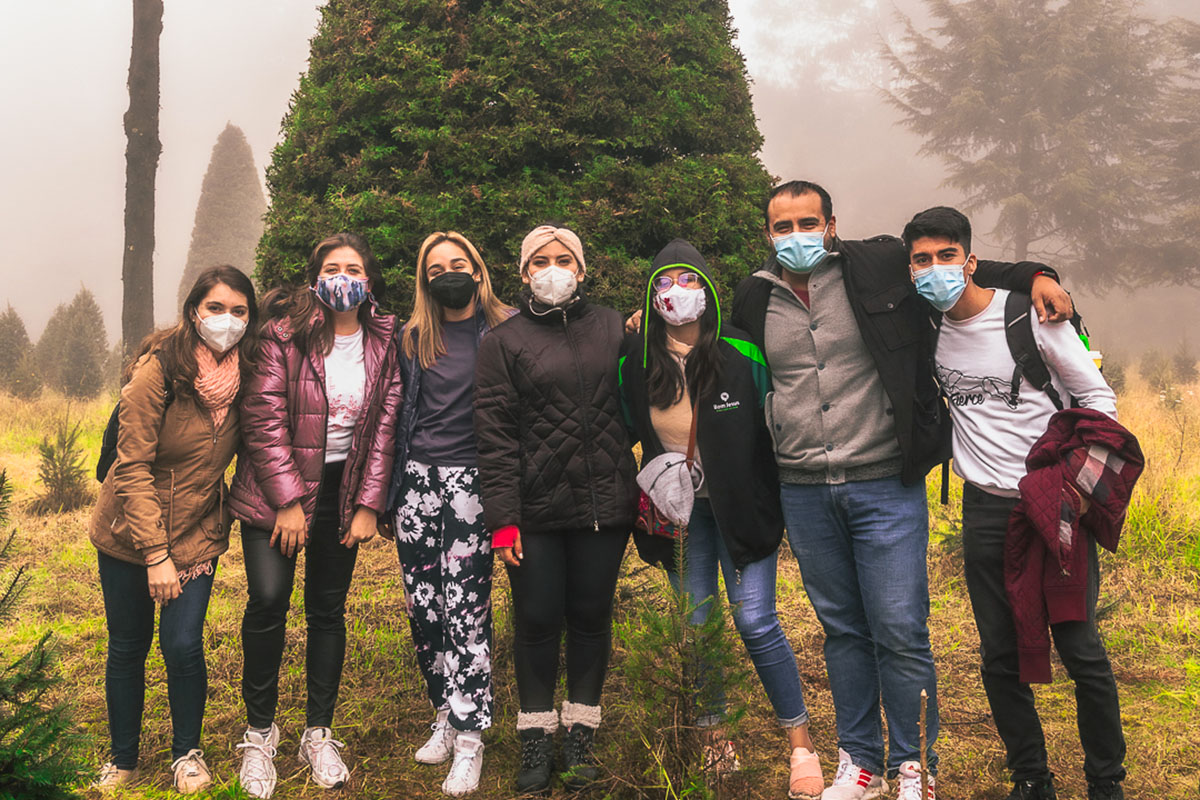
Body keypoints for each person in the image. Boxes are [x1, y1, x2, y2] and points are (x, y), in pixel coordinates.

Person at [728, 180, 1076, 800]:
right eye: (783, 226)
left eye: (809, 222)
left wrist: (1038, 274)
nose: (797, 235)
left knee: (899, 627)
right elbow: (725, 362)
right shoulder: (754, 298)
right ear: (768, 233)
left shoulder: (879, 266)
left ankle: (914, 768)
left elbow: (965, 262)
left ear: (832, 225)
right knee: (842, 630)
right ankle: (859, 762)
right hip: (804, 488)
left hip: (884, 482)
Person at [904, 206, 1128, 800]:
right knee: (999, 653)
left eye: (946, 256)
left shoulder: (1029, 318)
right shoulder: (923, 330)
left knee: (1080, 648)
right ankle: (1031, 777)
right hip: (983, 509)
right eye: (921, 261)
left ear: (971, 261)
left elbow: (1098, 400)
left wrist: (1079, 491)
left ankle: (1106, 780)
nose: (935, 270)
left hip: (1054, 504)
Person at [618, 238, 826, 799]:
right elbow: (625, 424)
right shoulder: (635, 357)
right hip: (680, 516)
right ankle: (713, 737)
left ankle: (800, 744)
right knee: (698, 624)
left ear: (708, 289)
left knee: (756, 619)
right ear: (649, 292)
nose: (675, 294)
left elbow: (772, 422)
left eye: (688, 281)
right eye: (664, 283)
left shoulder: (742, 349)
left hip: (743, 511)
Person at [228, 233, 403, 798]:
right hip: (276, 492)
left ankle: (318, 731)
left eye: (354, 268)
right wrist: (287, 501)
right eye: (332, 267)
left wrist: (367, 505)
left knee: (327, 609)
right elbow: (262, 416)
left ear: (369, 280)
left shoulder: (386, 339)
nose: (343, 277)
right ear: (315, 278)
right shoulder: (283, 335)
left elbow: (383, 430)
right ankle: (259, 735)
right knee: (270, 599)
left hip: (341, 491)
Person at [474, 224, 636, 794]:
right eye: (539, 260)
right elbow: (493, 439)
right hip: (534, 511)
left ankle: (582, 736)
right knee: (538, 620)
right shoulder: (503, 342)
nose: (552, 269)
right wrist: (503, 520)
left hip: (604, 505)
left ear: (583, 268)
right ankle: (536, 738)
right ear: (522, 274)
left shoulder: (615, 326)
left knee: (591, 618)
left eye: (563, 258)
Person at [90, 265, 258, 794]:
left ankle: (187, 753)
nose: (226, 320)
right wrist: (156, 555)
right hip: (127, 532)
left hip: (198, 531)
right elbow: (132, 467)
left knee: (183, 645)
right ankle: (123, 759)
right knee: (129, 644)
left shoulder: (247, 375)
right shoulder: (158, 371)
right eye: (215, 308)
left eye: (238, 311)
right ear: (193, 311)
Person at [384, 231, 514, 796]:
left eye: (457, 265)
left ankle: (470, 736)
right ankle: (444, 709)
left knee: (466, 609)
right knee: (426, 608)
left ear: (478, 271)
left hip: (473, 484)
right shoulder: (413, 338)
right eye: (435, 270)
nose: (448, 275)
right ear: (425, 282)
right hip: (417, 483)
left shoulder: (508, 329)